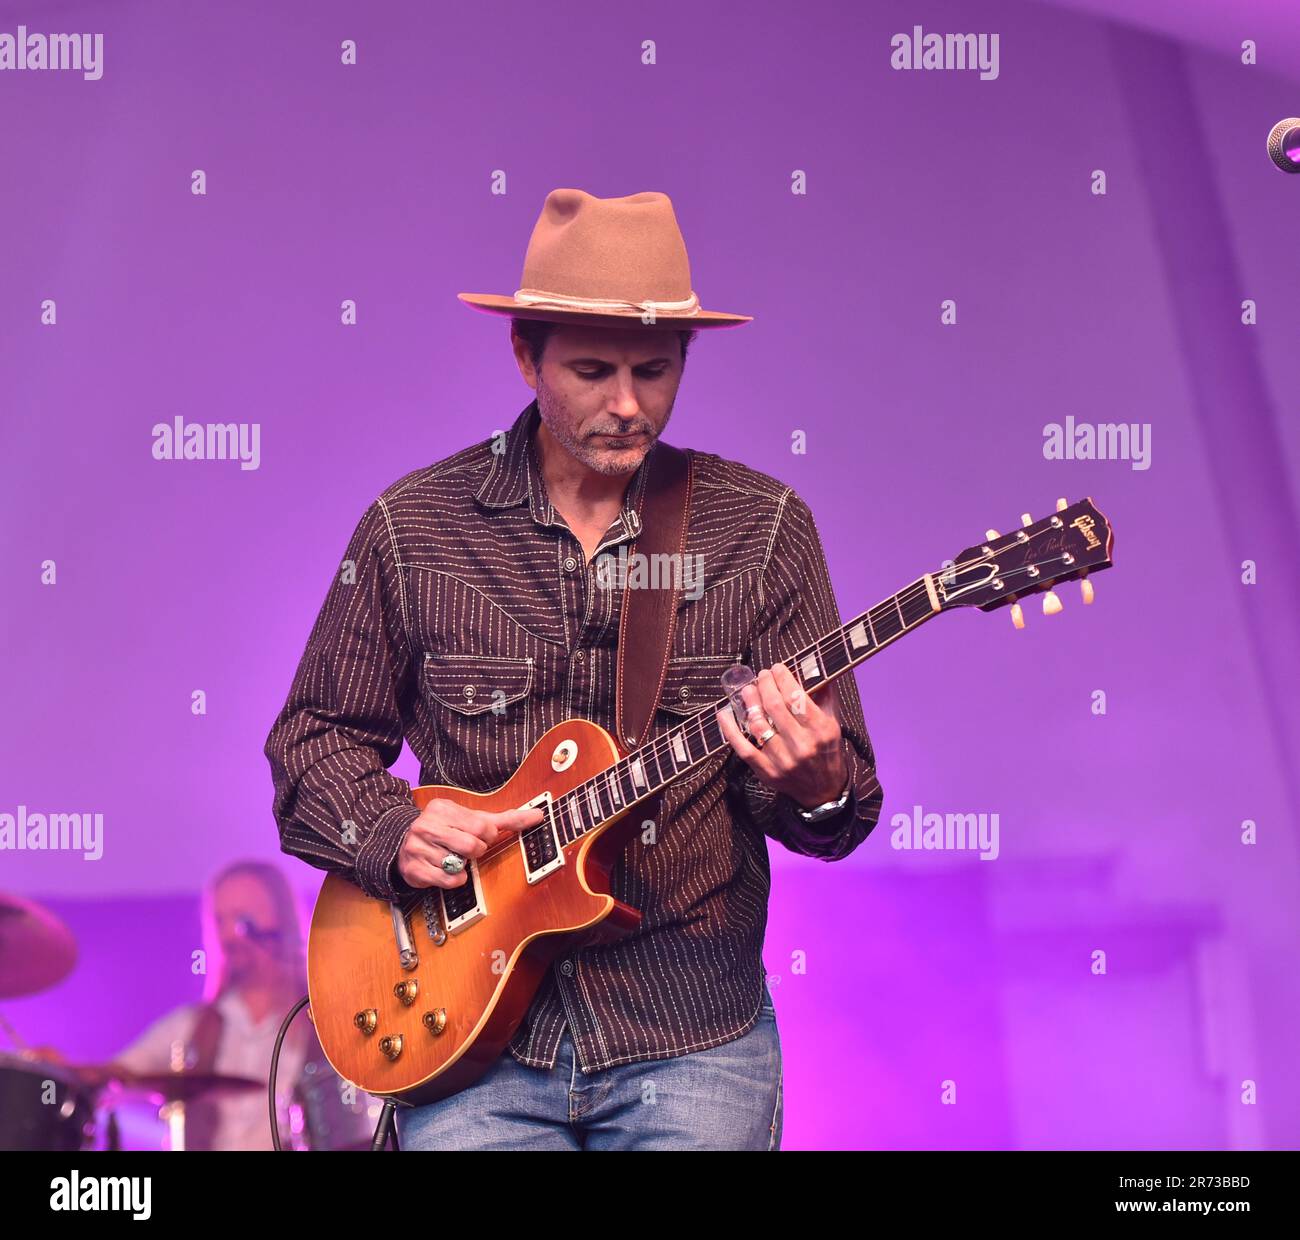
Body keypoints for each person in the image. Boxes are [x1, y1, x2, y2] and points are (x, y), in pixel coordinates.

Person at [264, 188, 884, 1150]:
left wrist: (818, 780)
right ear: (525, 354)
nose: (627, 404)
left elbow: (838, 816)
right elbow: (311, 744)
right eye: (592, 371)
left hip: (691, 1035)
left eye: (655, 369)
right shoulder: (415, 528)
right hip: (463, 1033)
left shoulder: (759, 529)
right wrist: (393, 831)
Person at [110, 861, 368, 1150]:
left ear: (280, 919)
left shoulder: (328, 1022)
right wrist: (65, 1072)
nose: (229, 935)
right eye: (219, 920)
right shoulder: (189, 1027)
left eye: (242, 919)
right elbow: (117, 1077)